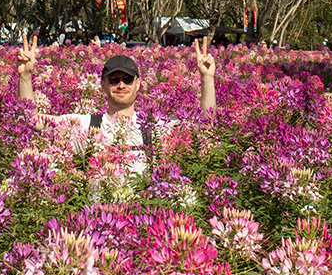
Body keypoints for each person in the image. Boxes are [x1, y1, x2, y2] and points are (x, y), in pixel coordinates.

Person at [15, 33, 217, 176]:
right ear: (102, 84)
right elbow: (33, 122)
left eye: (127, 80)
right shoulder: (87, 126)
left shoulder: (155, 128)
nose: (121, 85)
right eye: (114, 80)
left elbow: (205, 128)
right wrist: (25, 76)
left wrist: (207, 78)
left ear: (138, 84)